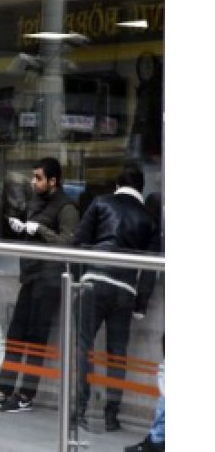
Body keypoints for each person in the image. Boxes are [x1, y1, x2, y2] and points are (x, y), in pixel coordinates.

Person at [0, 157, 79, 413]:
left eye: (39, 178)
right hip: (31, 276)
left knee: (36, 338)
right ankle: (3, 389)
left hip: (50, 279)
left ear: (53, 181)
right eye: (34, 177)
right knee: (17, 333)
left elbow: (67, 244)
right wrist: (21, 227)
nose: (34, 182)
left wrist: (38, 229)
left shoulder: (67, 207)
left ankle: (26, 394)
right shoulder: (35, 202)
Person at [73, 163, 159, 432]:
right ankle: (112, 416)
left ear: (117, 186)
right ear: (141, 189)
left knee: (84, 346)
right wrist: (141, 304)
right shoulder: (149, 219)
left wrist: (76, 281)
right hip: (125, 290)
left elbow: (79, 243)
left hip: (94, 282)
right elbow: (151, 268)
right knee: (117, 354)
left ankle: (79, 411)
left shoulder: (101, 203)